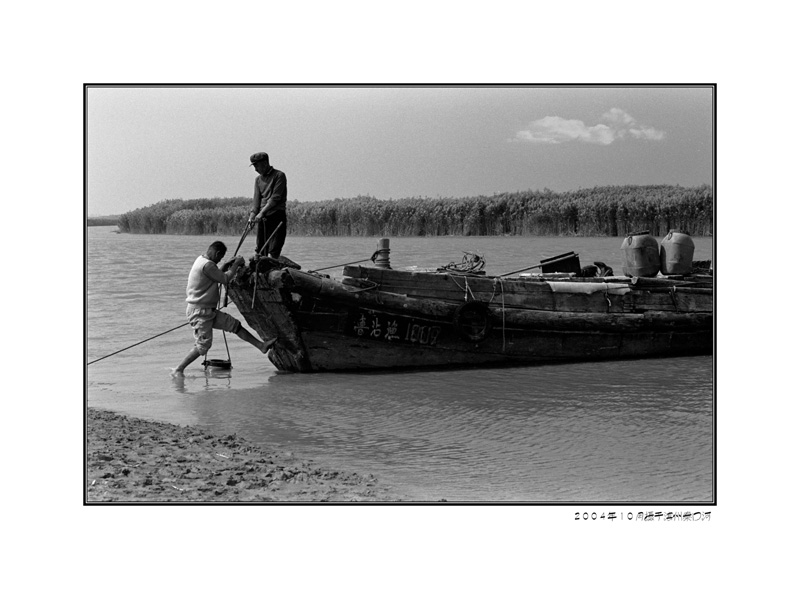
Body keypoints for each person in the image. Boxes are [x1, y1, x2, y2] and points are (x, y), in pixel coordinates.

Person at [172, 241, 276, 376]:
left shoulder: (202, 260)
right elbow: (225, 278)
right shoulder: (207, 265)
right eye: (220, 258)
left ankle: (262, 346)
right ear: (217, 253)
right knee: (203, 346)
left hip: (208, 311)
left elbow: (215, 274)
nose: (220, 260)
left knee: (235, 325)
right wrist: (236, 265)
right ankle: (179, 369)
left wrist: (227, 265)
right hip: (200, 312)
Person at [248, 152, 287, 258]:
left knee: (273, 249)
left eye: (256, 165)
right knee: (260, 249)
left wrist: (261, 213)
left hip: (276, 215)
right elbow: (256, 201)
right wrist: (252, 216)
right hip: (262, 217)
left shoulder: (279, 175)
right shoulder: (258, 180)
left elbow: (275, 199)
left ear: (265, 163)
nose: (255, 169)